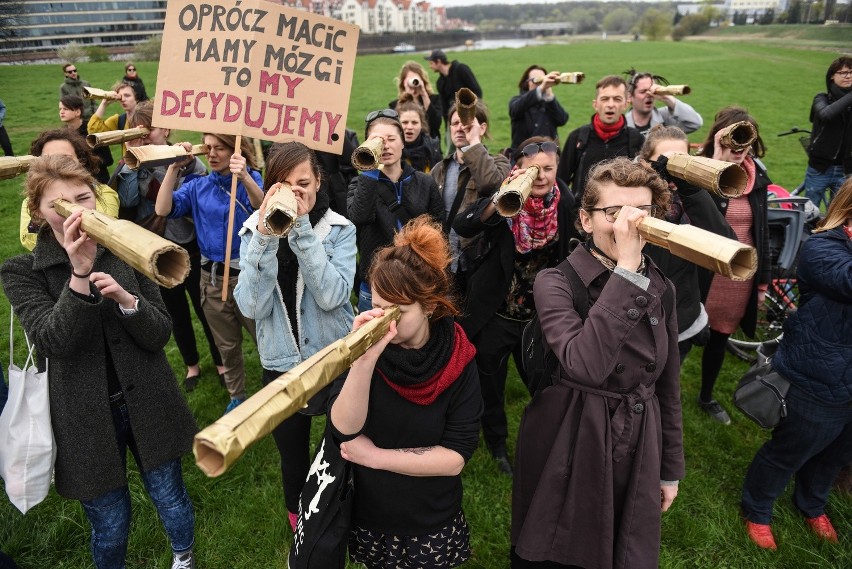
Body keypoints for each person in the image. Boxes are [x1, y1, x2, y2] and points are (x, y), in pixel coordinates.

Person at [1, 155, 198, 569]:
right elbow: (54, 341)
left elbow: (160, 333)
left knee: (170, 496)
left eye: (83, 197)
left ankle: (184, 556)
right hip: (83, 420)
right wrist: (78, 276)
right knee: (110, 522)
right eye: (59, 203)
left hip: (148, 400)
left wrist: (129, 303)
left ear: (96, 198)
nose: (75, 210)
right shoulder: (22, 272)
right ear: (38, 212)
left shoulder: (130, 246)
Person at [511, 157, 684, 569]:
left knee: (623, 549)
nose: (630, 224)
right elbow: (585, 364)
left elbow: (668, 383)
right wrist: (625, 269)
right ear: (586, 221)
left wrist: (669, 468)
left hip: (637, 437)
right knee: (560, 546)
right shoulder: (554, 282)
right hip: (570, 434)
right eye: (614, 213)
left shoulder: (663, 285)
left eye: (642, 212)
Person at [328, 215, 483, 568]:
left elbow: (456, 456)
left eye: (397, 310)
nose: (383, 320)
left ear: (429, 306)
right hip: (372, 513)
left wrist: (375, 457)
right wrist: (362, 362)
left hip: (431, 518)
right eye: (377, 306)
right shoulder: (363, 348)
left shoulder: (458, 358)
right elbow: (343, 429)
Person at [234, 141, 356, 532]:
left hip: (333, 358)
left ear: (319, 181)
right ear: (270, 188)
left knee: (342, 447)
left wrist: (300, 229)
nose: (295, 191)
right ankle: (299, 524)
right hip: (281, 364)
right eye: (284, 184)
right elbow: (249, 307)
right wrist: (267, 236)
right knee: (292, 453)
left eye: (303, 182)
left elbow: (333, 296)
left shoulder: (340, 229)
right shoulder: (254, 231)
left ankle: (343, 511)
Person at [741, 177, 852, 550]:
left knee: (837, 452)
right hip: (818, 373)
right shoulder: (823, 247)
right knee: (791, 449)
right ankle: (757, 509)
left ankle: (812, 503)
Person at [453, 137, 575, 475]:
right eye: (533, 168)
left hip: (540, 317)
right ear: (518, 167)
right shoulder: (509, 197)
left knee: (546, 384)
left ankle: (544, 441)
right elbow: (463, 224)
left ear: (557, 169)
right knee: (491, 385)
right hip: (497, 314)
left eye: (548, 168)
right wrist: (499, 200)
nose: (541, 176)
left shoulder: (565, 203)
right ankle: (497, 444)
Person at [116, 100, 223, 391]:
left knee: (207, 308)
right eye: (139, 130)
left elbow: (205, 185)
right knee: (176, 311)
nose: (146, 135)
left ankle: (222, 362)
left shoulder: (185, 156)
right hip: (159, 250)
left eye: (150, 129)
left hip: (194, 243)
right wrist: (131, 164)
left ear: (167, 128)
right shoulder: (129, 163)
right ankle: (192, 365)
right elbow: (126, 201)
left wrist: (183, 163)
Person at [155, 134, 264, 413]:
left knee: (264, 339)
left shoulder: (250, 180)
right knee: (226, 345)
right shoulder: (198, 186)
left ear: (236, 150)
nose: (212, 154)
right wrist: (173, 168)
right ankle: (237, 395)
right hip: (212, 279)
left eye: (220, 148)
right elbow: (162, 208)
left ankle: (278, 389)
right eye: (208, 148)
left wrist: (246, 178)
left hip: (248, 278)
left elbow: (263, 207)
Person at [696, 106, 772, 425]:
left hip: (737, 276)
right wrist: (716, 165)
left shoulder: (759, 179)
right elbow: (700, 219)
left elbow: (762, 233)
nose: (738, 151)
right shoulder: (698, 171)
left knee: (720, 335)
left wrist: (763, 283)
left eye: (745, 144)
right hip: (702, 273)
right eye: (731, 142)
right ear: (718, 139)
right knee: (683, 335)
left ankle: (706, 396)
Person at [640, 125, 736, 361]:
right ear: (644, 163)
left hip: (680, 316)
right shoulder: (630, 195)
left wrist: (690, 189)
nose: (672, 170)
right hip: (637, 318)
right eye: (664, 162)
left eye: (680, 161)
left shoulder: (692, 199)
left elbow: (726, 245)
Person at [347, 109, 445, 314]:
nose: (385, 146)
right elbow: (359, 217)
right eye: (377, 140)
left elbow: (439, 229)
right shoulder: (360, 184)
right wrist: (370, 168)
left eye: (391, 138)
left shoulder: (424, 182)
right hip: (376, 287)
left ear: (403, 142)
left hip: (417, 283)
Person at [431, 98, 510, 292]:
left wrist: (474, 143)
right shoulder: (440, 169)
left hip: (479, 261)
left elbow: (491, 185)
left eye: (467, 124)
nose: (460, 128)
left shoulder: (499, 163)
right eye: (455, 123)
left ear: (482, 128)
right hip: (445, 262)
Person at [19, 129, 119, 251]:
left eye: (65, 158)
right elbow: (28, 238)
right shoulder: (32, 200)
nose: (57, 164)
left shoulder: (103, 192)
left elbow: (104, 232)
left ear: (81, 160)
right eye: (48, 158)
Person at [557, 75, 644, 203]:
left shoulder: (637, 139)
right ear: (595, 104)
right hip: (581, 217)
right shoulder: (577, 138)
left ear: (626, 104)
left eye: (617, 99)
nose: (610, 105)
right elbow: (560, 181)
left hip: (621, 216)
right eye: (604, 99)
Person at [804, 55, 852, 209]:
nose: (848, 76)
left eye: (851, 72)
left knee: (838, 216)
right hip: (820, 168)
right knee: (810, 213)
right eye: (843, 72)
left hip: (846, 170)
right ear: (832, 75)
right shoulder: (822, 98)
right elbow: (826, 114)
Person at [624, 70, 703, 137]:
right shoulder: (623, 124)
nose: (649, 95)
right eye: (643, 91)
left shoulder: (666, 118)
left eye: (652, 91)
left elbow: (694, 123)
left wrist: (666, 97)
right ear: (630, 96)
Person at [508, 66, 569, 150]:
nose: (540, 83)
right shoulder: (517, 101)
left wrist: (550, 96)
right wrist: (540, 89)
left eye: (543, 80)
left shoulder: (548, 103)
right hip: (525, 156)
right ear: (526, 82)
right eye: (535, 80)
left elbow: (562, 120)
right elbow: (515, 109)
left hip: (549, 154)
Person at [59, 94, 113, 183]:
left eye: (65, 109)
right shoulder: (61, 134)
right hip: (72, 182)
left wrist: (83, 163)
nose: (61, 112)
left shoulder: (92, 131)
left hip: (97, 182)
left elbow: (108, 159)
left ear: (77, 112)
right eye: (60, 109)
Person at [425, 49, 483, 131]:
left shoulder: (461, 69)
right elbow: (444, 107)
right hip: (454, 121)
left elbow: (477, 91)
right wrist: (447, 128)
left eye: (431, 63)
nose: (430, 66)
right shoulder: (440, 82)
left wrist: (473, 113)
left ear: (438, 61)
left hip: (469, 116)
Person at [389, 60, 443, 147]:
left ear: (423, 81)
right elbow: (395, 128)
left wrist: (424, 94)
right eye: (409, 81)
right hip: (405, 150)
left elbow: (435, 124)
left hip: (431, 150)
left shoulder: (434, 100)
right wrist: (408, 96)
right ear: (403, 83)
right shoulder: (394, 105)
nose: (413, 84)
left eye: (416, 80)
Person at [87, 81, 138, 155]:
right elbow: (94, 131)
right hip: (130, 163)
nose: (123, 99)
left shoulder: (148, 116)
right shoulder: (119, 120)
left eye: (127, 95)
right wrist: (104, 103)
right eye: (120, 97)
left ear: (136, 97)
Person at [397, 97, 441, 173]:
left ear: (421, 125)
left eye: (414, 122)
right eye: (405, 122)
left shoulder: (433, 148)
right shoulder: (390, 149)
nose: (410, 127)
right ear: (397, 124)